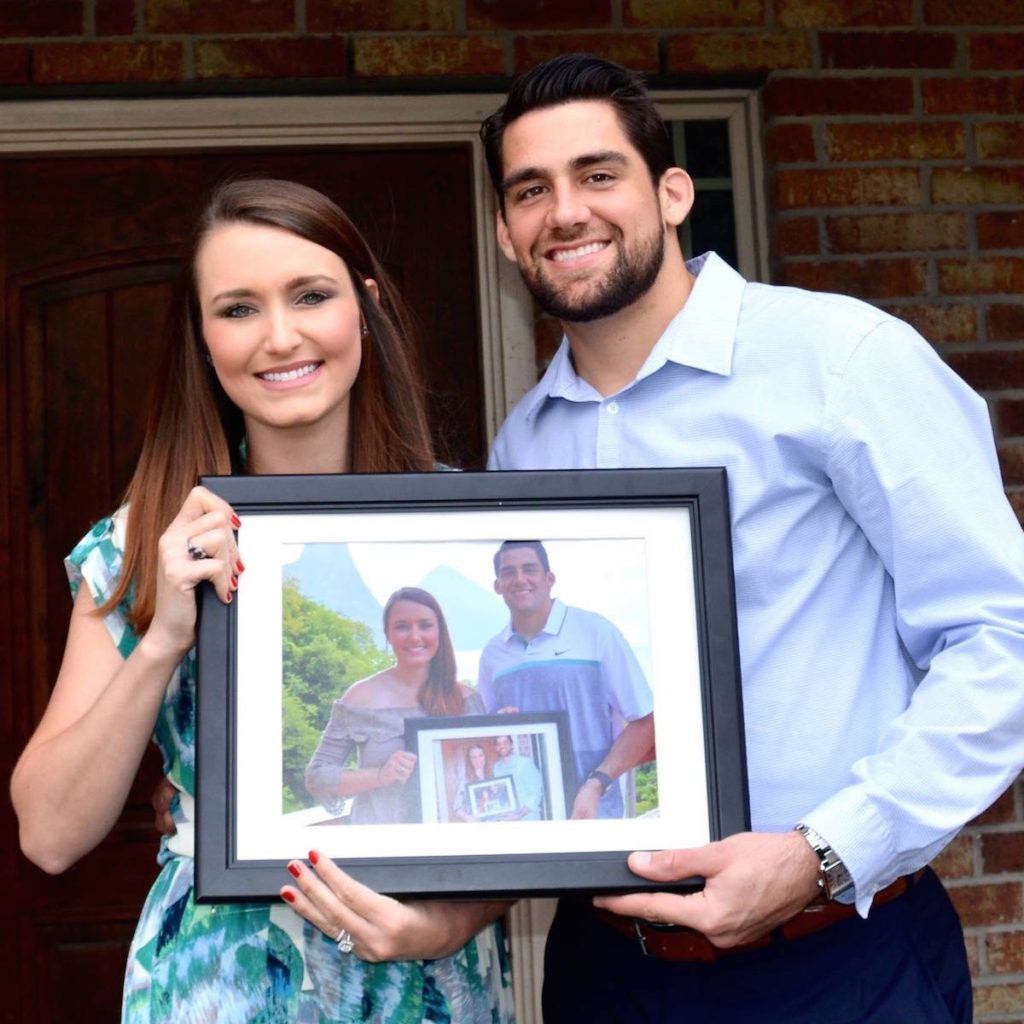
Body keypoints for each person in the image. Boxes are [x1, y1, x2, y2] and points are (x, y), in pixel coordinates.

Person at [479, 54, 1024, 1022]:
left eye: (598, 175)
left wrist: (822, 850)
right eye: (531, 190)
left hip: (839, 956)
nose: (565, 211)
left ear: (672, 191)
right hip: (609, 968)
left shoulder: (839, 359)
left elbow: (1001, 638)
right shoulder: (523, 446)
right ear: (505, 231)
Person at [10, 178, 513, 1022]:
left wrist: (451, 920)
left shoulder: (470, 528)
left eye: (311, 296)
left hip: (431, 979)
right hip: (223, 985)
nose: (280, 337)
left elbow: (524, 812)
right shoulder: (141, 546)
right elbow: (50, 836)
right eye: (238, 309)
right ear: (203, 338)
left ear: (365, 307)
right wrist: (166, 636)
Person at [478, 540, 654, 820]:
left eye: (529, 569)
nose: (519, 579)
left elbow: (646, 721)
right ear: (498, 585)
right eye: (508, 572)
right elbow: (486, 733)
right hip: (525, 822)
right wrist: (499, 723)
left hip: (594, 816)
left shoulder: (597, 632)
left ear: (549, 579)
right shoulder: (492, 655)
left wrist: (596, 785)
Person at [305, 585, 484, 825]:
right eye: (402, 627)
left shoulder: (468, 700)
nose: (414, 636)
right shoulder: (359, 698)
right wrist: (381, 775)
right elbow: (317, 776)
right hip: (379, 845)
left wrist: (510, 726)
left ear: (440, 631)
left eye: (425, 625)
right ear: (387, 634)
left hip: (449, 848)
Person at [492, 735, 544, 821]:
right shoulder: (496, 768)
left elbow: (536, 794)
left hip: (527, 818)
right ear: (496, 748)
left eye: (505, 742)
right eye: (499, 744)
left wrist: (519, 815)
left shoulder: (525, 763)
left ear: (512, 745)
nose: (502, 746)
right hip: (507, 818)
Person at [452, 743, 493, 822]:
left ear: (485, 757)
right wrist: (466, 817)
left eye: (481, 755)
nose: (478, 759)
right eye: (474, 757)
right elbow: (456, 807)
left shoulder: (493, 776)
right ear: (469, 760)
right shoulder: (465, 781)